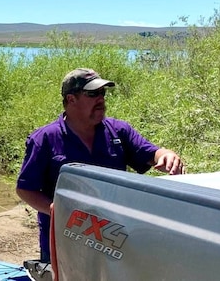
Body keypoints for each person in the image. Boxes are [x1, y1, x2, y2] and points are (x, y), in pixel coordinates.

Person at [16, 68, 184, 263]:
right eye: (92, 94)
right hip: (65, 239)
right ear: (71, 99)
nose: (101, 99)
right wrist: (57, 209)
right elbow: (25, 189)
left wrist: (166, 155)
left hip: (114, 237)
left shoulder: (119, 131)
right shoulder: (45, 139)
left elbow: (151, 153)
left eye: (102, 93)